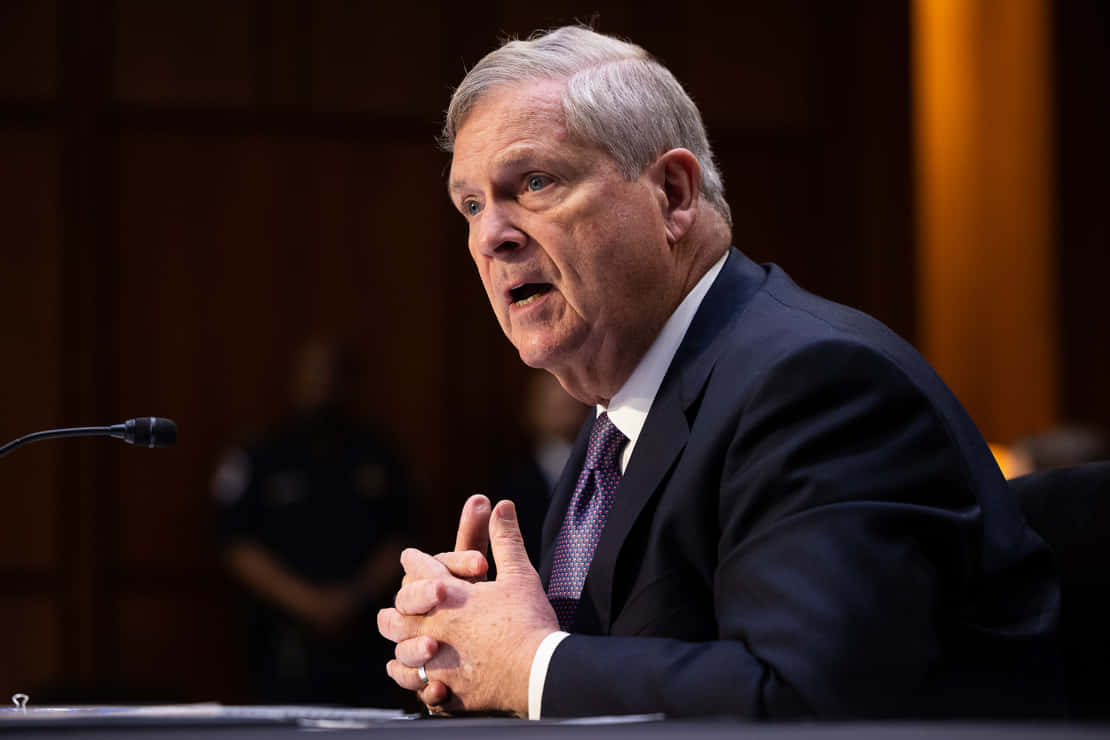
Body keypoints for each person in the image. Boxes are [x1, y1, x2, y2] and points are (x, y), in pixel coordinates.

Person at [377, 26, 1064, 720]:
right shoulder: (616, 424)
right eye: (470, 204)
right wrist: (474, 653)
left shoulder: (817, 385)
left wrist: (529, 666)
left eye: (533, 182)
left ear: (673, 194)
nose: (492, 235)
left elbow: (808, 702)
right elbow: (592, 672)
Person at [214, 338, 412, 707]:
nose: (323, 384)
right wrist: (305, 602)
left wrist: (351, 598)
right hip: (283, 638)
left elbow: (402, 537)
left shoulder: (378, 454)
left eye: (332, 373)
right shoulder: (261, 454)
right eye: (313, 373)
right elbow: (236, 542)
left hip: (364, 633)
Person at [487, 370, 589, 568]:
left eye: (567, 403)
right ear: (530, 413)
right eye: (549, 404)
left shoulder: (605, 473)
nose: (560, 410)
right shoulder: (511, 485)